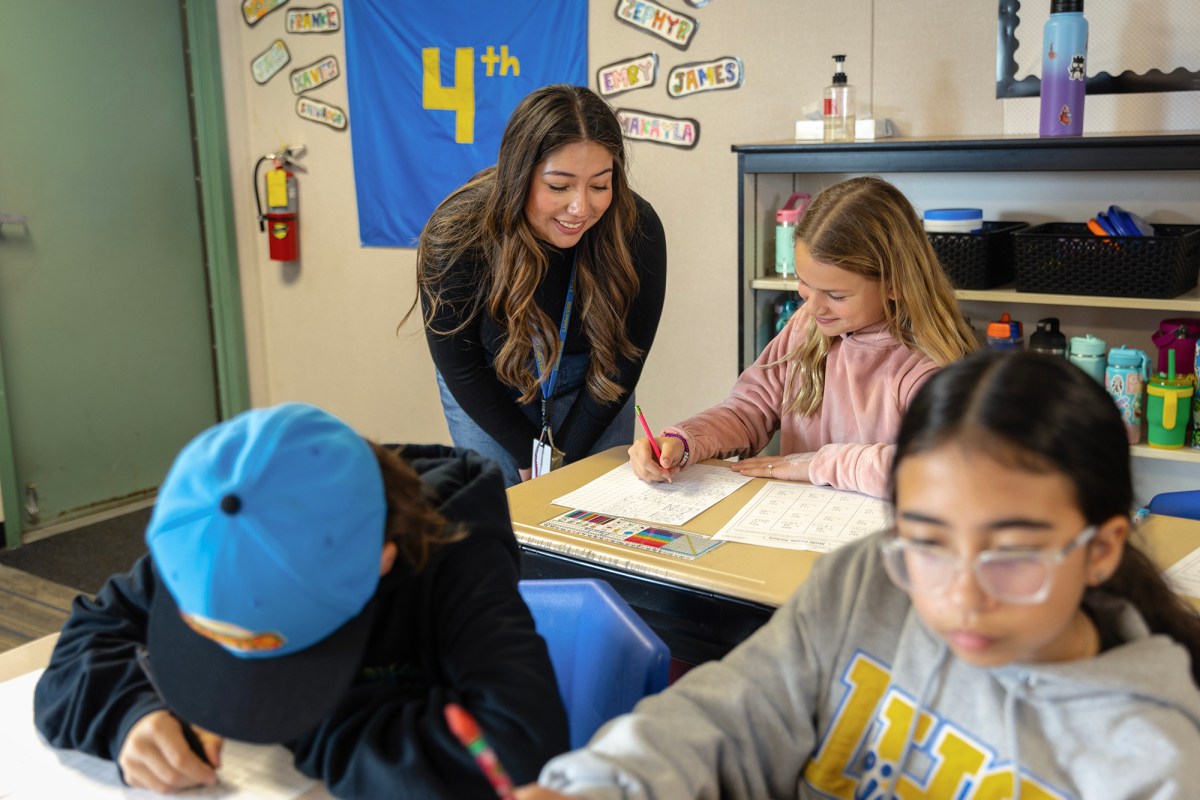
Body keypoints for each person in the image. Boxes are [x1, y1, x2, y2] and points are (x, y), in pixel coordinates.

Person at [518, 350, 1200, 799]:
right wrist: (602, 784)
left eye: (1012, 556)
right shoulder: (865, 587)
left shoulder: (1148, 763)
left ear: (1102, 549)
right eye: (927, 545)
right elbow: (730, 715)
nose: (961, 598)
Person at [34, 403, 568, 798]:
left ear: (382, 560)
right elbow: (85, 642)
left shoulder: (454, 550)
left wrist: (304, 720)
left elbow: (516, 748)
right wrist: (128, 716)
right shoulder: (213, 539)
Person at [628, 175, 977, 498]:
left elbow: (941, 470)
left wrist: (817, 464)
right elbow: (749, 410)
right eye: (804, 285)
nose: (812, 308)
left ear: (894, 285)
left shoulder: (928, 363)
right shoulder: (807, 326)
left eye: (835, 295)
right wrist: (684, 440)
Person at [407, 83, 667, 487]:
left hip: (595, 383)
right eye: (559, 186)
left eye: (600, 185)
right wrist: (526, 454)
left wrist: (566, 460)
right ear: (519, 175)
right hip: (492, 383)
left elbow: (624, 360)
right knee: (503, 519)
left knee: (593, 513)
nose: (581, 207)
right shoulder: (457, 233)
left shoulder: (637, 227)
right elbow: (461, 365)